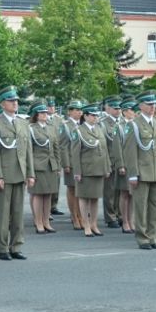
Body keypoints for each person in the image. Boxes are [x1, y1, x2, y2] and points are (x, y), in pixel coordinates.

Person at [0, 86, 35, 261]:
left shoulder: (22, 123)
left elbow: (27, 150)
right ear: (2, 103)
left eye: (16, 101)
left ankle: (16, 246)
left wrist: (30, 173)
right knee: (2, 214)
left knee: (17, 213)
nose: (15, 104)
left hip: (20, 173)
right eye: (11, 101)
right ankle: (2, 248)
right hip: (4, 175)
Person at [124, 90, 156, 250]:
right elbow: (130, 152)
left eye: (154, 104)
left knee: (155, 205)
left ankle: (153, 236)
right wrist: (133, 174)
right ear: (141, 106)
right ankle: (142, 238)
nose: (153, 107)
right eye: (149, 104)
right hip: (142, 172)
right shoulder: (134, 125)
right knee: (141, 206)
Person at [71, 103, 111, 237]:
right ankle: (86, 224)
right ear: (86, 116)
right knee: (84, 197)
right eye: (92, 115)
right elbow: (75, 153)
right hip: (86, 169)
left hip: (98, 169)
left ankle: (94, 224)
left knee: (95, 198)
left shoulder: (99, 129)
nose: (95, 118)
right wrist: (77, 171)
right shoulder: (78, 131)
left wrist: (107, 167)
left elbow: (104, 150)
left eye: (96, 115)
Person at [28, 100, 61, 234]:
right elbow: (28, 150)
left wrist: (58, 166)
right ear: (36, 114)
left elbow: (56, 148)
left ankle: (46, 221)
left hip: (50, 165)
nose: (45, 114)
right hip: (38, 165)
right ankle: (38, 222)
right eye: (41, 112)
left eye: (45, 112)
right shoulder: (30, 128)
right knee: (38, 195)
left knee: (48, 195)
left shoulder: (51, 127)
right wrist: (29, 170)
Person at [110, 98, 137, 234]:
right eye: (132, 110)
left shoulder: (135, 125)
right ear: (125, 112)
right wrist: (120, 164)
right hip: (125, 165)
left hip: (134, 165)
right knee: (124, 194)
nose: (134, 112)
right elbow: (117, 147)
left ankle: (131, 220)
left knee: (132, 194)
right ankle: (124, 221)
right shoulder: (119, 127)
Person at [59, 100, 84, 230]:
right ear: (69, 111)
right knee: (72, 190)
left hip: (82, 162)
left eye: (80, 109)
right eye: (75, 109)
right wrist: (66, 164)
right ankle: (74, 216)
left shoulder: (83, 124)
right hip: (71, 162)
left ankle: (81, 215)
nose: (79, 111)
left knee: (81, 191)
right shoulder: (66, 126)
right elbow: (63, 146)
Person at [100, 95, 122, 228]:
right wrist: (106, 163)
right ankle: (110, 217)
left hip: (121, 162)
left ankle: (120, 214)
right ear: (107, 108)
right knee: (110, 191)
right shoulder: (103, 123)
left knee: (120, 190)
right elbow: (103, 146)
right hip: (110, 161)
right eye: (114, 108)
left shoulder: (122, 122)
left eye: (119, 108)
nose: (118, 110)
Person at [46, 97, 64, 217]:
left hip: (57, 153)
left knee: (56, 182)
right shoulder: (42, 119)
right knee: (47, 183)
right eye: (49, 106)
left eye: (52, 106)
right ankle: (46, 209)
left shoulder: (59, 120)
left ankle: (54, 205)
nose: (51, 108)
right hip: (47, 154)